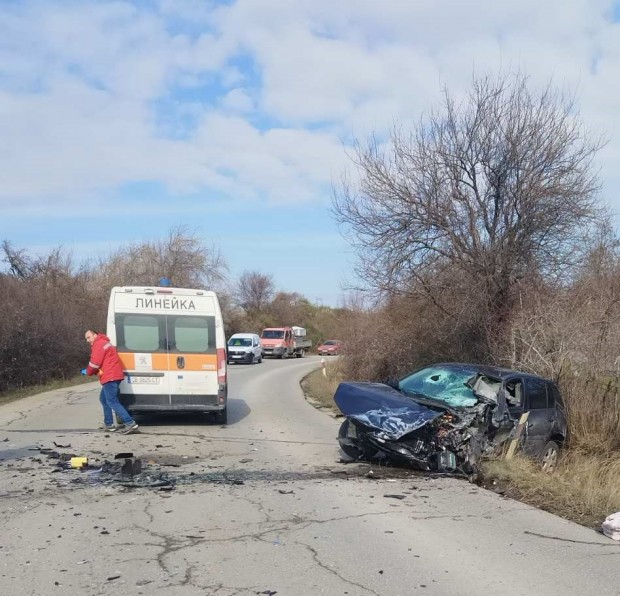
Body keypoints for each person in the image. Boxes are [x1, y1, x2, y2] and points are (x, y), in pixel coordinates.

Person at [81, 329, 139, 434]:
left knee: (112, 401)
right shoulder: (104, 342)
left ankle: (130, 424)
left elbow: (95, 363)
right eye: (86, 338)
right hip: (113, 375)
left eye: (88, 337)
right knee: (104, 399)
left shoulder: (99, 344)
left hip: (110, 376)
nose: (87, 340)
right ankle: (109, 424)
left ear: (95, 335)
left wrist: (88, 372)